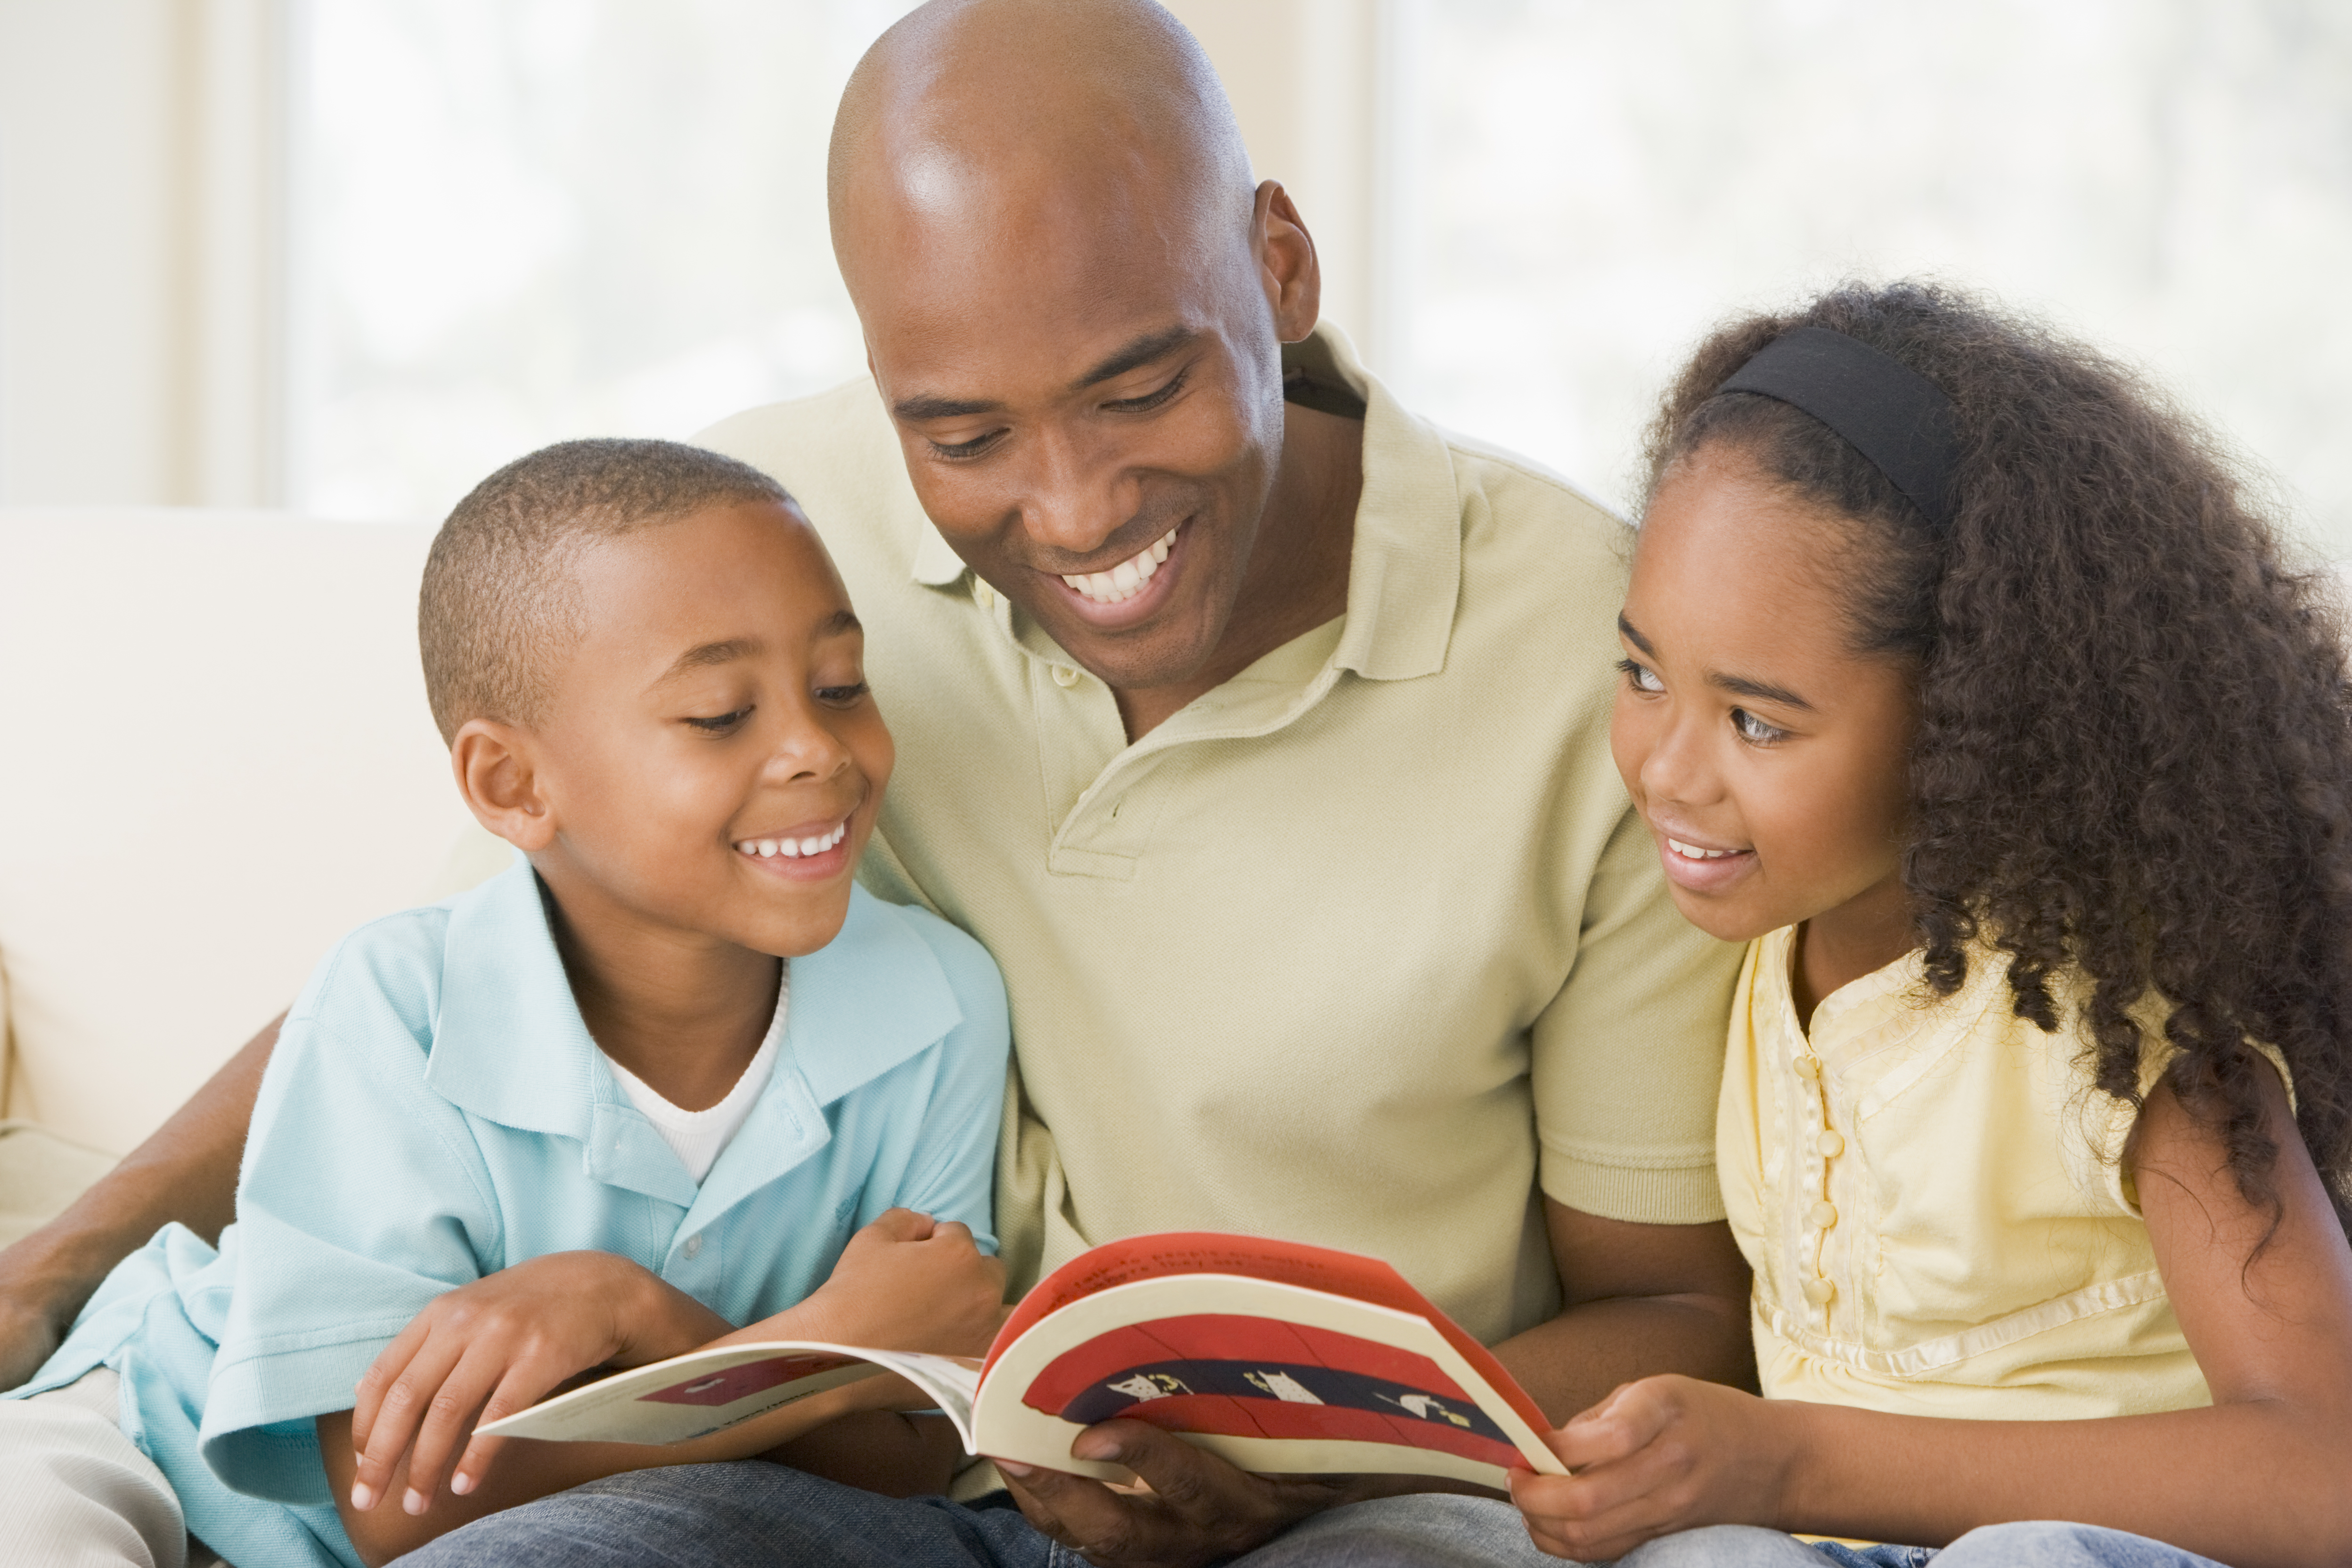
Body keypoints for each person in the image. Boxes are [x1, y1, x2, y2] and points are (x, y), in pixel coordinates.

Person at [0, 2, 1755, 1564]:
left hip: (1354, 1495)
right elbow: (456, 981)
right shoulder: (745, 546)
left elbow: (1674, 1302)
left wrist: (1297, 1461)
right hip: (868, 1475)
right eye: (962, 433)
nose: (1070, 513)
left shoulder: (1590, 658)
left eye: (1143, 383)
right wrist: (54, 1259)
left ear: (1279, 264)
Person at [0, 439, 1013, 1568]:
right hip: (157, 1440)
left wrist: (658, 1322)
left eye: (840, 685)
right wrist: (817, 1350)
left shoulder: (941, 1003)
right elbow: (395, 1500)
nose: (817, 749)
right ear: (513, 784)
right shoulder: (397, 1002)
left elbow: (914, 1451)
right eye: (722, 713)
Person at [1502, 282, 2352, 1568]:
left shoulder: (2116, 1015)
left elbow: (2324, 1475)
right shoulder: (1748, 939)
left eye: (1757, 721)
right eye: (1641, 672)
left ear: (1968, 717)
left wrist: (1791, 1457)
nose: (1668, 771)